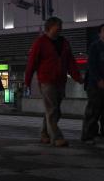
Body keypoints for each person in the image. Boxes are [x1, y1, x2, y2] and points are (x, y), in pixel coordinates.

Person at [24, 17, 83, 147]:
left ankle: (44, 134)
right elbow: (31, 63)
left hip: (60, 81)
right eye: (58, 26)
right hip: (46, 80)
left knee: (53, 110)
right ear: (49, 27)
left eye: (61, 26)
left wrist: (77, 77)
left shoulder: (64, 42)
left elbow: (70, 62)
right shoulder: (40, 43)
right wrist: (27, 81)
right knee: (53, 109)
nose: (60, 29)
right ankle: (56, 137)